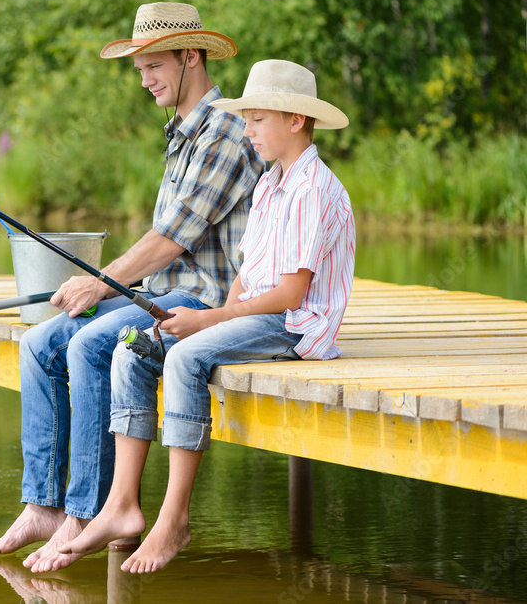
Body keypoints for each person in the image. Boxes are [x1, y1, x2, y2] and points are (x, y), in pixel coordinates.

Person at [0, 2, 265, 572]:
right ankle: (43, 505)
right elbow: (161, 248)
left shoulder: (228, 131)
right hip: (162, 291)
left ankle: (87, 511)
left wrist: (100, 281)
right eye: (138, 68)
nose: (144, 78)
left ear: (191, 57)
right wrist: (104, 288)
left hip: (205, 301)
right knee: (39, 344)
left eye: (154, 65)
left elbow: (173, 238)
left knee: (89, 343)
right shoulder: (184, 131)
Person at [54, 59, 357, 574]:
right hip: (253, 311)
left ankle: (174, 519)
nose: (247, 129)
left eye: (257, 119)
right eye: (247, 118)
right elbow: (247, 272)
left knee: (185, 358)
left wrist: (208, 322)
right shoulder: (270, 185)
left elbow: (289, 294)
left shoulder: (313, 189)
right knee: (136, 347)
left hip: (296, 324)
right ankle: (122, 505)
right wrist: (218, 313)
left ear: (296, 121)